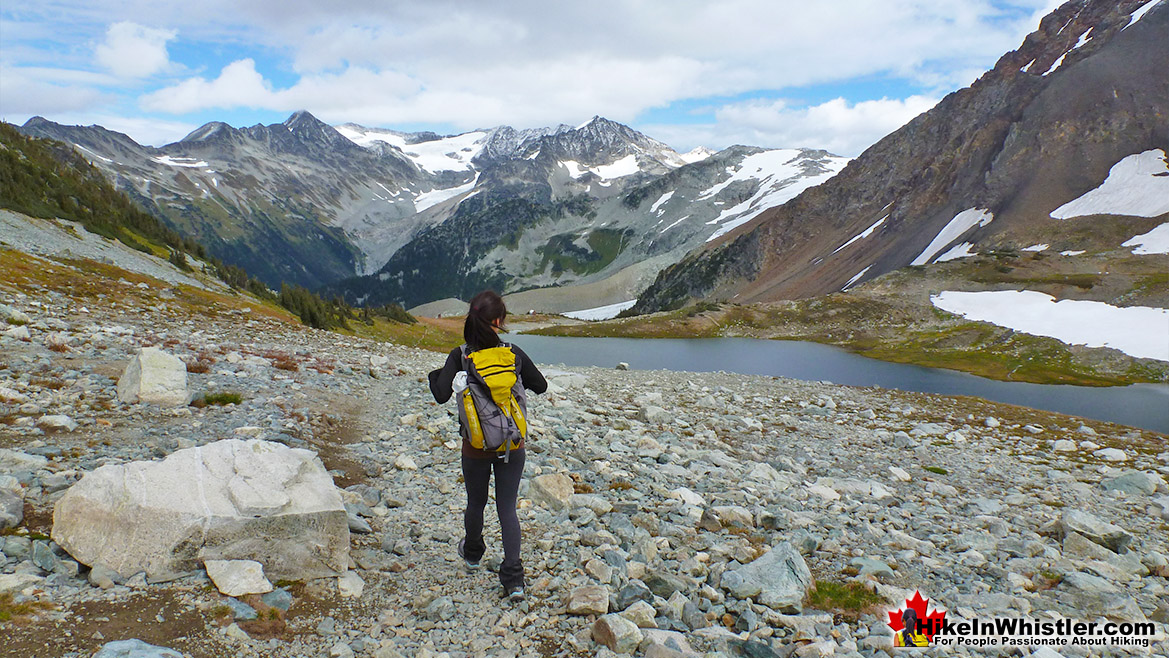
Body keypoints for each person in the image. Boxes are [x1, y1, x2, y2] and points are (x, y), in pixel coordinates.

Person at [427, 290, 547, 601]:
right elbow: (541, 385)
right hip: (512, 443)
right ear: (497, 322)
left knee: (476, 503)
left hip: (475, 447)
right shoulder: (512, 353)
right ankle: (514, 580)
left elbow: (440, 394)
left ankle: (473, 554)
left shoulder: (461, 355)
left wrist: (436, 376)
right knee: (507, 508)